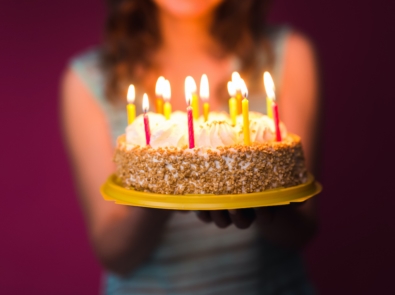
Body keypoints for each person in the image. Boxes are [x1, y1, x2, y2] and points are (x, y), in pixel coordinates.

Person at [61, 0, 320, 293]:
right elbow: (115, 255)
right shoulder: (89, 81)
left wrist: (257, 199)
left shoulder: (287, 54)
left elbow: (302, 229)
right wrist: (166, 188)